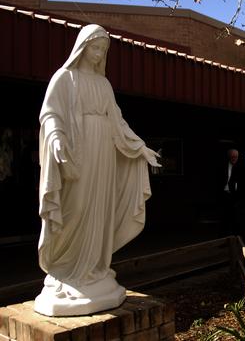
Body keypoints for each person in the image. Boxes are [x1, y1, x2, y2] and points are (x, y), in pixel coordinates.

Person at [35, 24, 161, 316]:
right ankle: (65, 268)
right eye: (94, 48)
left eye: (103, 50)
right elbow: (50, 113)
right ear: (82, 47)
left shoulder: (104, 85)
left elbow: (117, 122)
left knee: (99, 210)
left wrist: (140, 147)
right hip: (77, 153)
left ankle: (94, 268)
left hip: (103, 153)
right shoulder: (64, 78)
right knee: (75, 208)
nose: (98, 54)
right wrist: (55, 139)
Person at [218, 148, 239, 235]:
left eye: (236, 157)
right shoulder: (223, 166)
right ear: (228, 157)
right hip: (226, 194)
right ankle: (225, 237)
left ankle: (236, 237)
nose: (234, 159)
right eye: (232, 157)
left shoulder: (241, 167)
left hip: (237, 195)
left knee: (236, 217)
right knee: (225, 217)